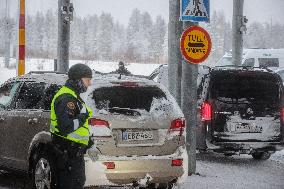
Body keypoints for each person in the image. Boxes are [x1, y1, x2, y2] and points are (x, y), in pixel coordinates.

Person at [50, 63, 94, 189]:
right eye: (87, 80)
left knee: (76, 182)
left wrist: (88, 143)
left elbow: (77, 128)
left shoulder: (73, 95)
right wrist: (83, 116)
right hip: (67, 152)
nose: (89, 84)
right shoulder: (67, 98)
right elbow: (66, 127)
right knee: (71, 184)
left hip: (71, 151)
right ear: (78, 80)